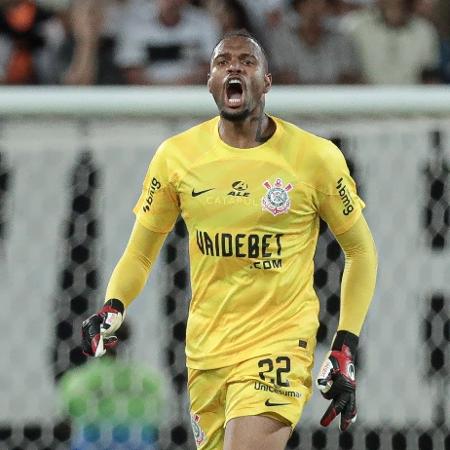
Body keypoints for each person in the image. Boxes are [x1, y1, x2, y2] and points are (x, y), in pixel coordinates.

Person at [81, 30, 378, 450]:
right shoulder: (177, 157)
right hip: (206, 351)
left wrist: (344, 344)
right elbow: (141, 253)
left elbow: (361, 252)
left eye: (246, 61)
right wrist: (113, 304)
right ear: (210, 81)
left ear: (267, 82)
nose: (233, 66)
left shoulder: (315, 158)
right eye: (222, 61)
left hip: (279, 342)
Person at [342, 0, 440, 84]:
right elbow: (347, 74)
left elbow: (429, 77)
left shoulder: (424, 30)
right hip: (366, 101)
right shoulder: (354, 26)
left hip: (412, 101)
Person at [267, 0, 361, 84]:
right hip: (294, 99)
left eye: (319, 3)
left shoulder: (340, 39)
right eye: (308, 3)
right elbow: (279, 76)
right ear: (298, 6)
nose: (313, 9)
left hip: (334, 99)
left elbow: (350, 76)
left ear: (328, 8)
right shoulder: (283, 37)